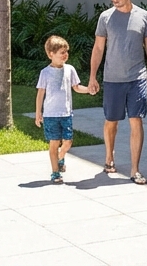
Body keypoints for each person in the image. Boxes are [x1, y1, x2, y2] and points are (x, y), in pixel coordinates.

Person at [87, 0, 147, 185]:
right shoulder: (105, 18)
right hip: (112, 79)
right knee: (111, 121)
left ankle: (135, 169)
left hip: (137, 78)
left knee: (136, 120)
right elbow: (99, 48)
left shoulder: (144, 16)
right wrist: (93, 76)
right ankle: (109, 157)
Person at [35, 35, 92, 184]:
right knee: (54, 143)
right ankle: (55, 173)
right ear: (51, 54)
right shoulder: (45, 73)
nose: (65, 55)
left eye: (66, 52)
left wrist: (89, 90)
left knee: (68, 142)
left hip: (66, 113)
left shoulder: (70, 69)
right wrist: (38, 113)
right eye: (61, 52)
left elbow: (76, 87)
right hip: (50, 115)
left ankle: (61, 156)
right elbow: (40, 93)